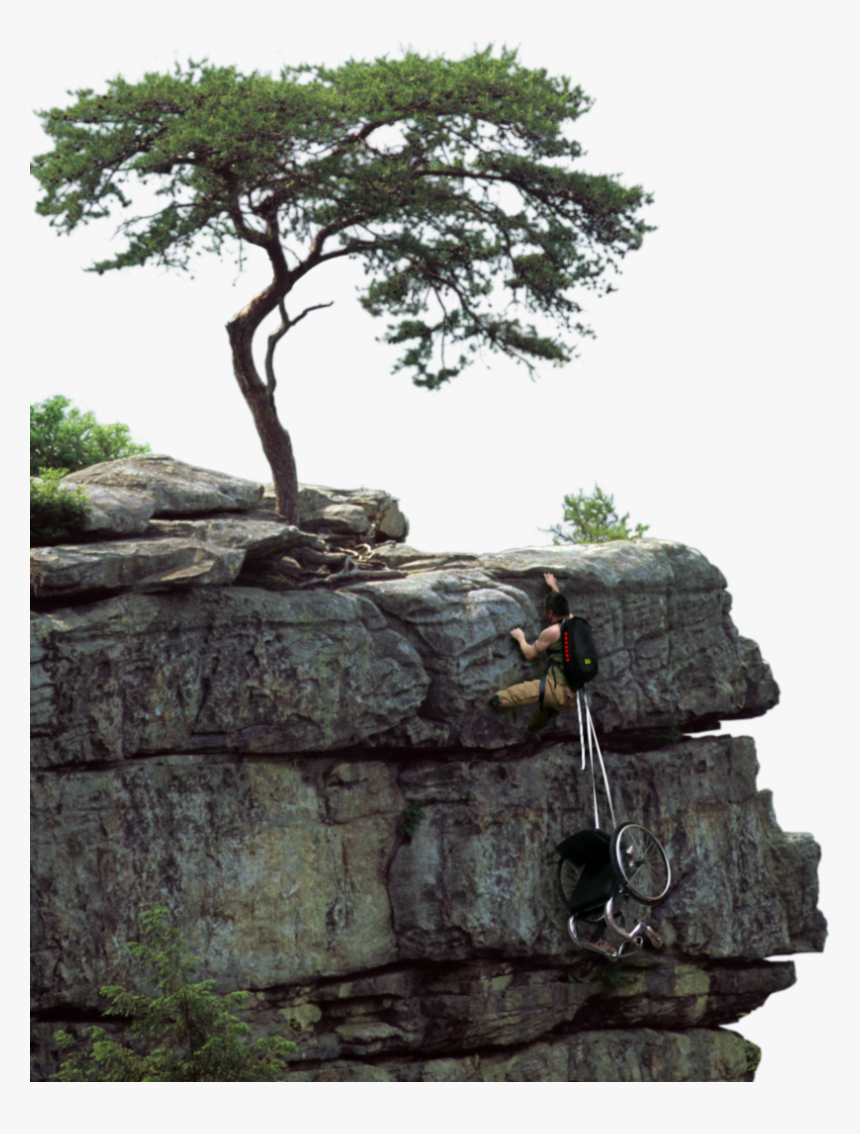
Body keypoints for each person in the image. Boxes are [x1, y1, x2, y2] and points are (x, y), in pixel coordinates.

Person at [489, 572, 577, 733]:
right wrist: (553, 587)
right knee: (549, 708)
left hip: (558, 690)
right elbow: (563, 606)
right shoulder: (574, 621)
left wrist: (521, 638)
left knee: (533, 690)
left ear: (550, 613)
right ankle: (533, 729)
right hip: (571, 694)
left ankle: (500, 700)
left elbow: (530, 654)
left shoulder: (551, 632)